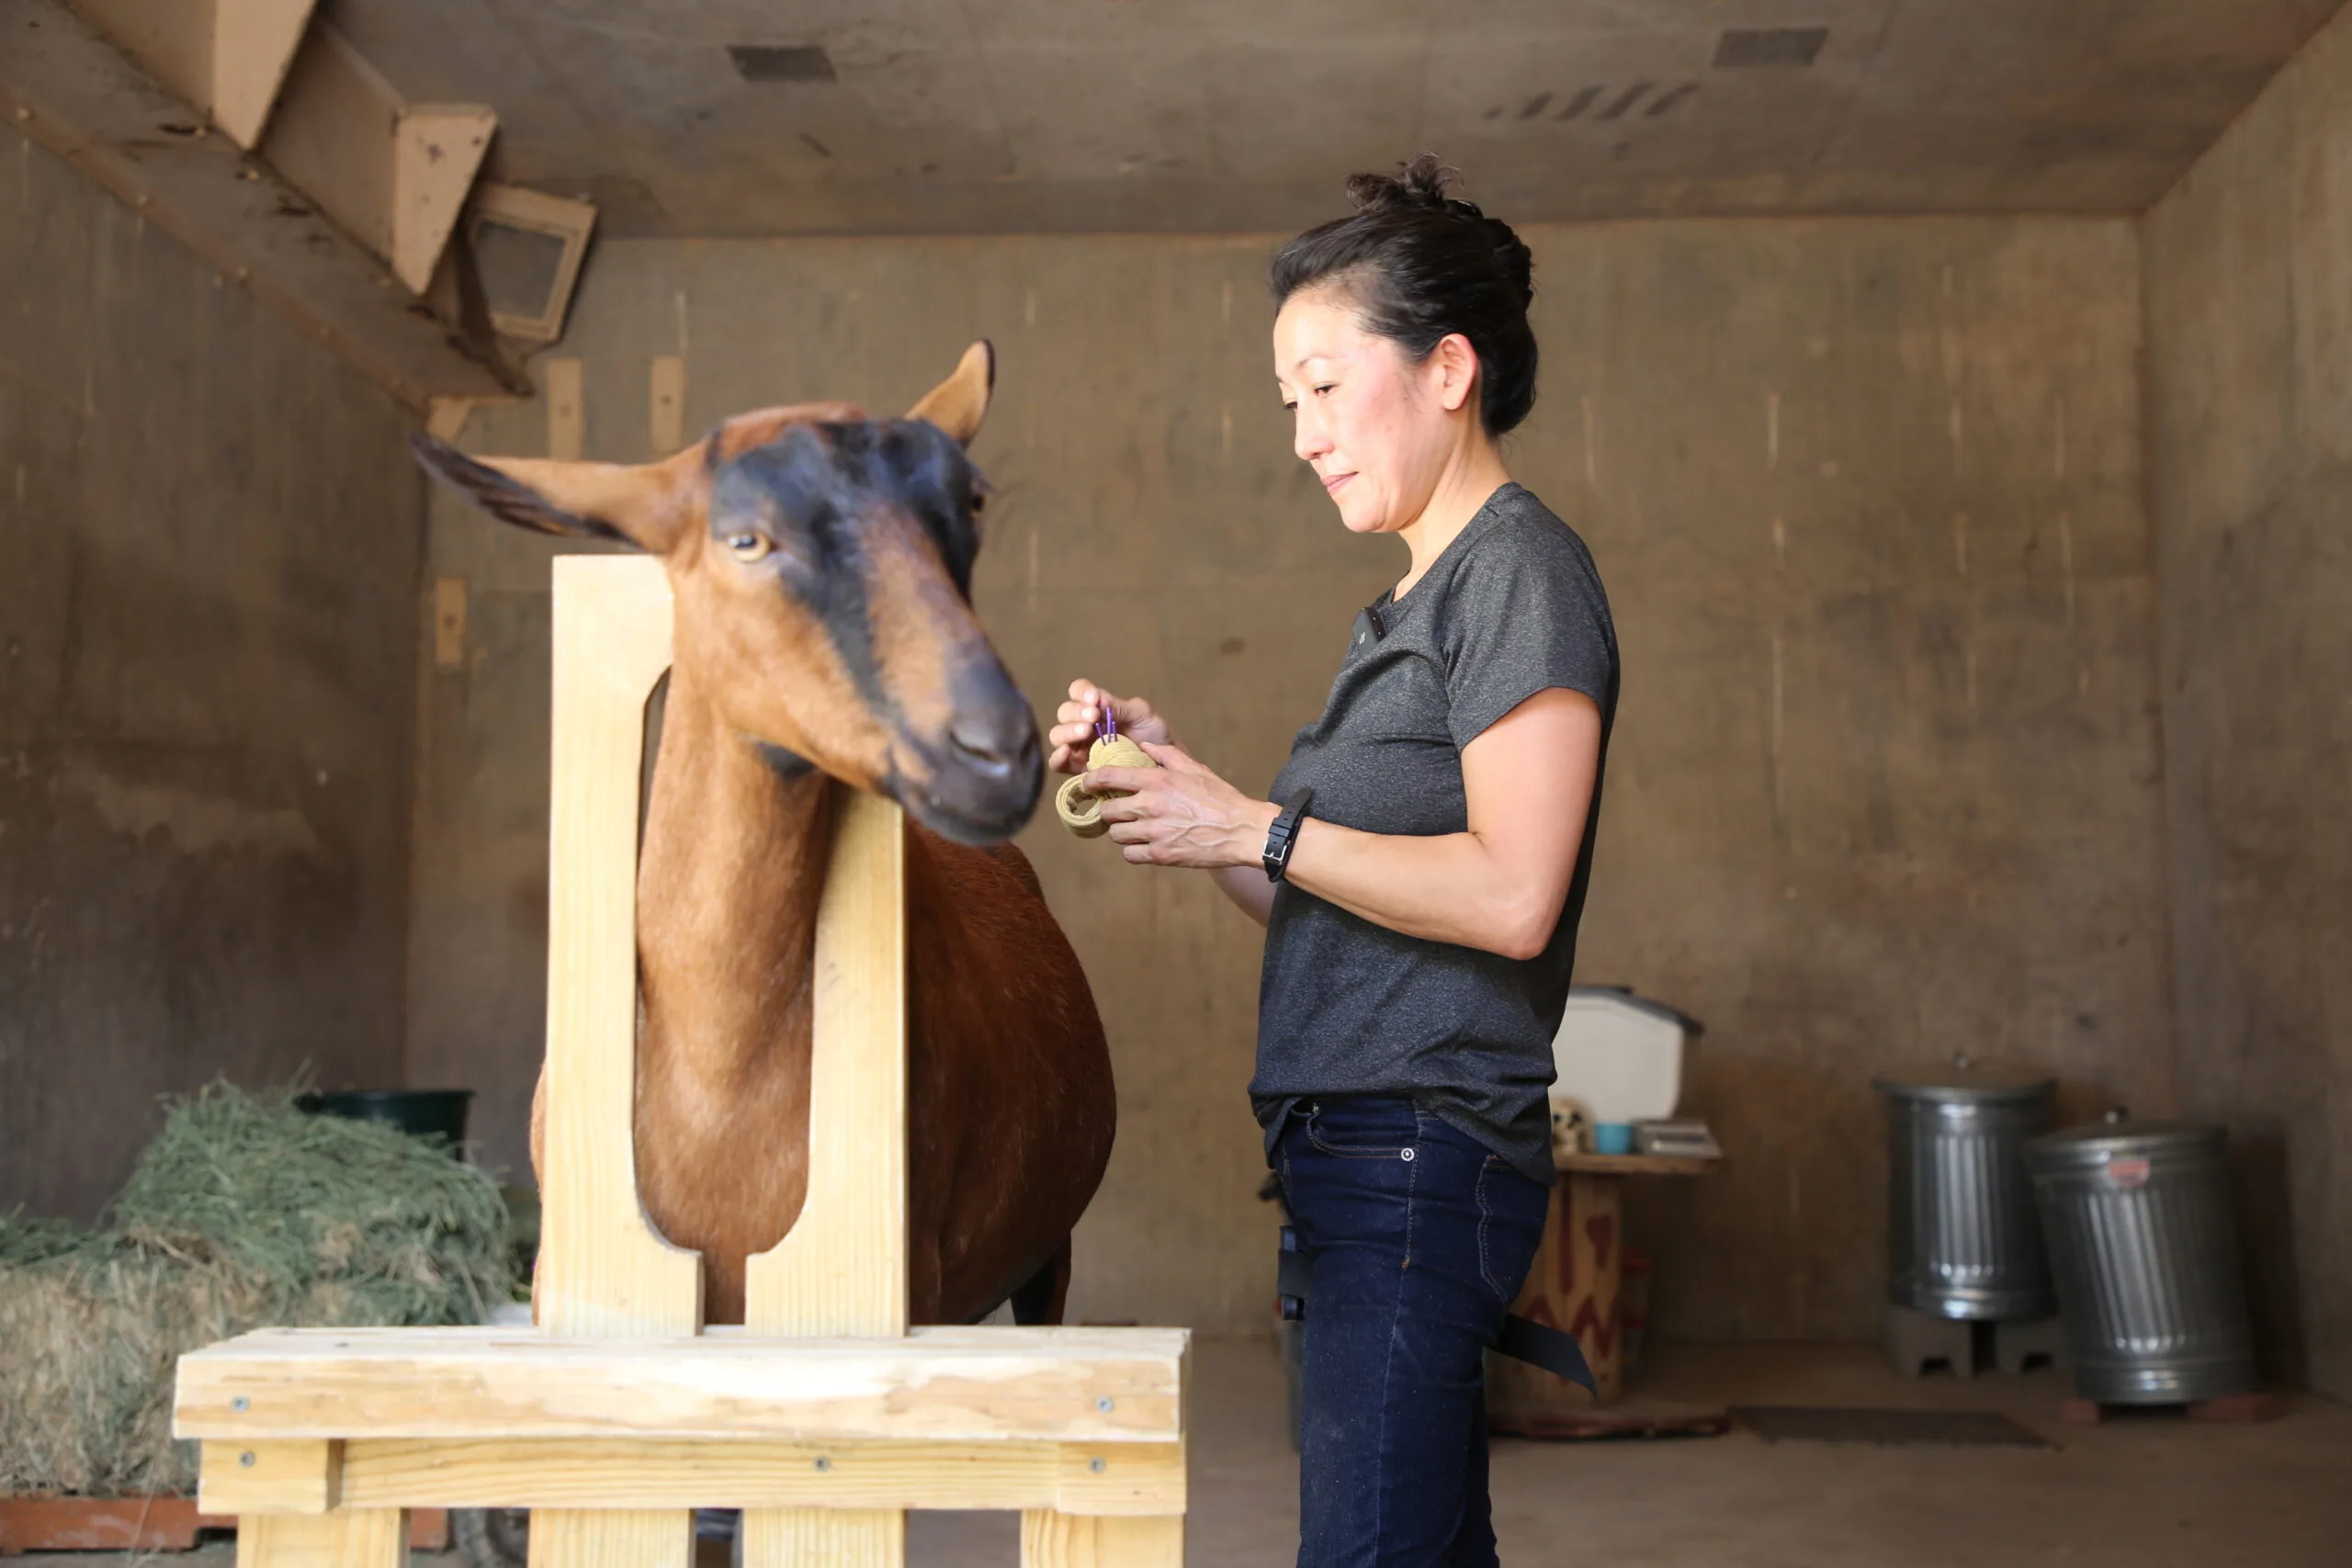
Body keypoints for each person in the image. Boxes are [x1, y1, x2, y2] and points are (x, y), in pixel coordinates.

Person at [1047, 153, 1619, 1568]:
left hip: (1420, 1151)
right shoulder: (1411, 601)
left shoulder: (1518, 573)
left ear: (1447, 370)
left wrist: (1257, 823)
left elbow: (1511, 893)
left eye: (1322, 381)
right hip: (1347, 1150)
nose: (1300, 431)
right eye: (1285, 399)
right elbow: (1312, 891)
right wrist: (1187, 794)